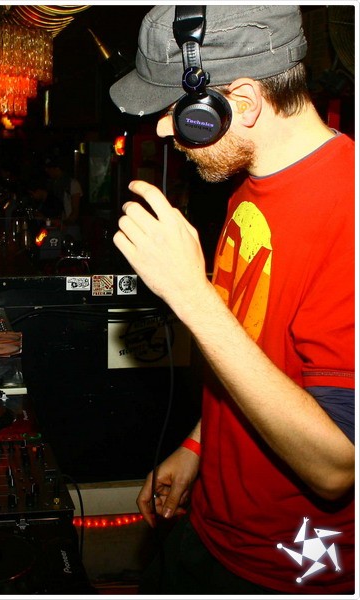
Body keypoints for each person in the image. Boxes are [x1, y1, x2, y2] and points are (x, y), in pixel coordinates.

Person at [109, 5, 354, 595]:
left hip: (289, 571)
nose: (163, 131)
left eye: (174, 110)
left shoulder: (347, 212)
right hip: (212, 527)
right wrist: (199, 444)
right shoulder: (249, 186)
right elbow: (256, 347)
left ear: (240, 102)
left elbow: (337, 465)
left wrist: (191, 296)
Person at [44, 155, 84, 242]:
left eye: (49, 168)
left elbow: (75, 211)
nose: (47, 171)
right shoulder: (53, 185)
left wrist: (65, 223)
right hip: (58, 227)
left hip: (70, 227)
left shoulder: (73, 184)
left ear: (57, 169)